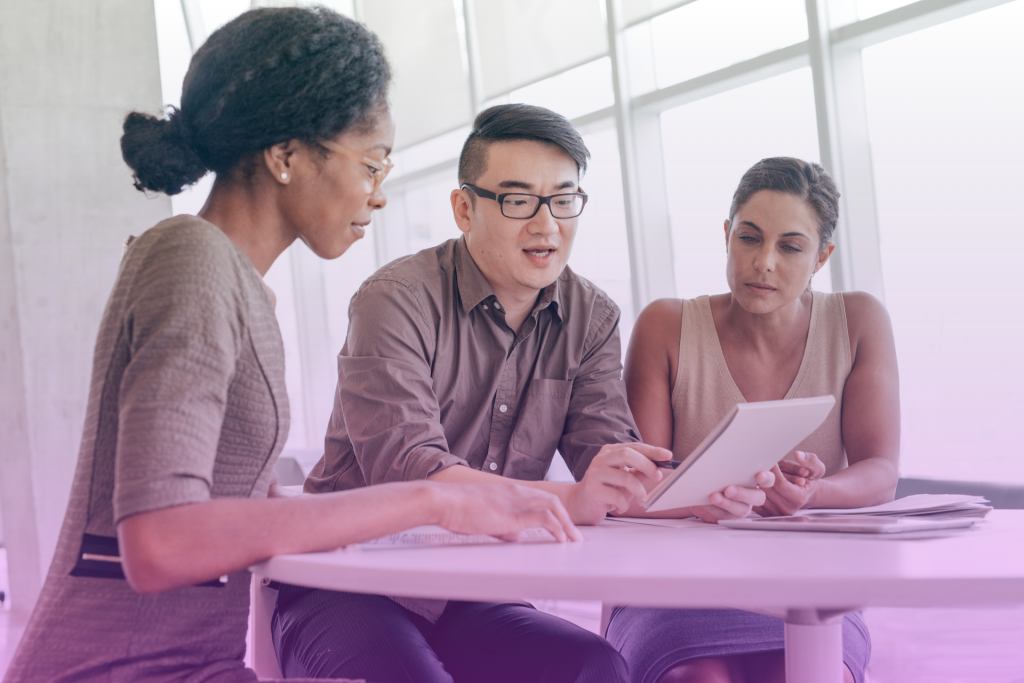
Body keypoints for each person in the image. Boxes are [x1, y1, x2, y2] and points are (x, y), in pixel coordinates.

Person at [2, 9, 581, 683]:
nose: (380, 194)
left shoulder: (237, 284)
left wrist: (452, 504)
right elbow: (159, 540)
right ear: (285, 156)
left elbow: (237, 504)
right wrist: (432, 499)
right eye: (370, 163)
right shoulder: (193, 260)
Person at [271, 104, 774, 683]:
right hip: (350, 580)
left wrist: (708, 492)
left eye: (563, 200)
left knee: (596, 668)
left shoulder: (591, 316)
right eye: (517, 201)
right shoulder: (396, 300)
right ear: (465, 208)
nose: (546, 224)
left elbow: (608, 466)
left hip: (475, 588)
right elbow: (409, 472)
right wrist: (569, 500)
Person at [607, 157, 900, 683]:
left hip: (803, 585)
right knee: (700, 679)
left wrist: (814, 495)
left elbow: (881, 470)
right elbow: (637, 492)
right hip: (674, 584)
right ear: (726, 236)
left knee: (809, 672)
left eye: (790, 247)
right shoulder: (666, 326)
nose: (763, 262)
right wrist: (710, 501)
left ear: (821, 256)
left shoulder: (858, 321)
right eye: (749, 238)